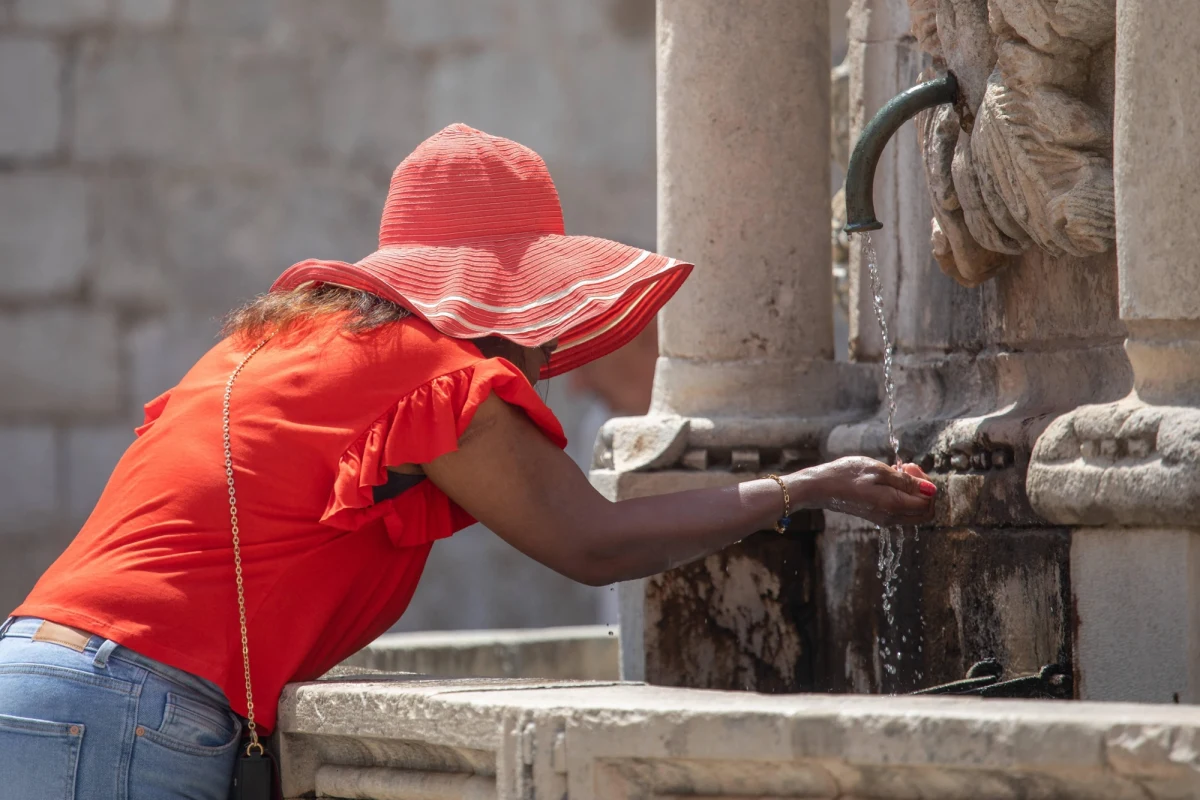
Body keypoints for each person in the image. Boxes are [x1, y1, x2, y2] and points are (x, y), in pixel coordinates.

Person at [0, 124, 935, 799]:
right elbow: (593, 542)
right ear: (503, 291)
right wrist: (807, 486)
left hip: (36, 677)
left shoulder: (278, 346)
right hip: (128, 710)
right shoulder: (432, 375)